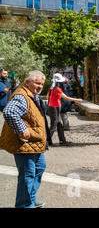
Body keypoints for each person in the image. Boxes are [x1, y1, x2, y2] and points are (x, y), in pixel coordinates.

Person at [0, 70, 51, 208]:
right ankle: (24, 204)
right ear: (27, 82)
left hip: (34, 143)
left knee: (40, 167)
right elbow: (10, 112)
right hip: (24, 144)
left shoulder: (31, 95)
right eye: (37, 83)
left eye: (41, 84)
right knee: (27, 175)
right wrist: (22, 129)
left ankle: (30, 199)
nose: (40, 86)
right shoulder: (22, 96)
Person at [47, 73, 82, 146]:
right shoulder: (57, 89)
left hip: (54, 107)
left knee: (59, 124)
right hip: (54, 108)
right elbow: (66, 98)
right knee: (54, 125)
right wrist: (77, 99)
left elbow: (48, 97)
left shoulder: (52, 88)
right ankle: (46, 142)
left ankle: (62, 140)